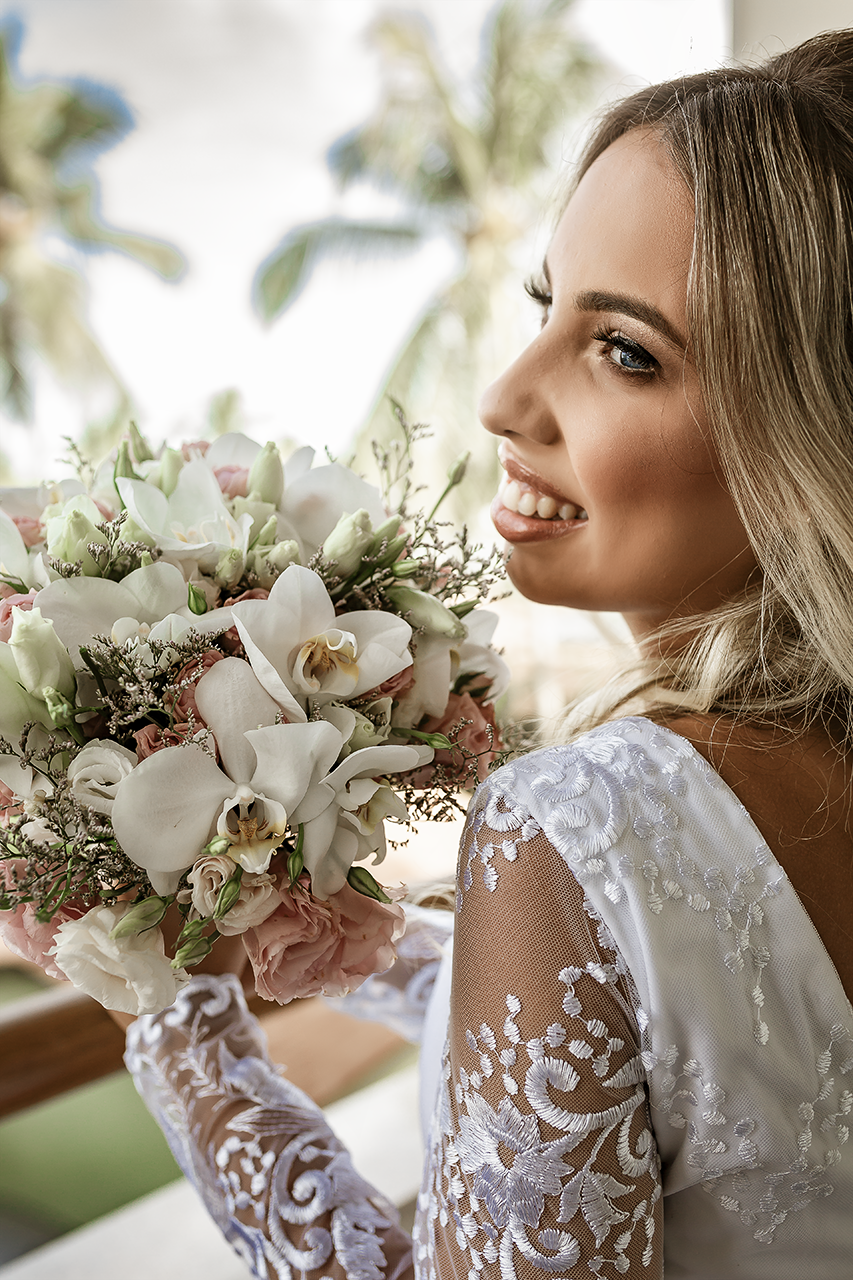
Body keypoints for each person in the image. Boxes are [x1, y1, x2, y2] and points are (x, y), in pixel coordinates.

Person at [118, 29, 853, 1279]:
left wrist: (188, 1042)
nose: (507, 397)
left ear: (811, 428)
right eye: (544, 307)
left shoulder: (574, 826)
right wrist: (358, 939)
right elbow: (680, 1035)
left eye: (626, 350)